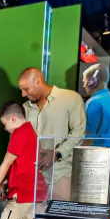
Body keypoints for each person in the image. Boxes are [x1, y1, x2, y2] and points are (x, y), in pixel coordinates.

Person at [18, 68, 86, 200]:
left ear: (37, 81)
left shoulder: (71, 98)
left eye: (25, 89)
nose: (23, 94)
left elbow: (78, 132)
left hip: (61, 175)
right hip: (32, 178)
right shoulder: (25, 108)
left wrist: (57, 154)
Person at [82, 64, 110, 147]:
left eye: (84, 81)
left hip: (95, 154)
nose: (83, 85)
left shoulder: (94, 103)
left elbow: (89, 137)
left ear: (92, 82)